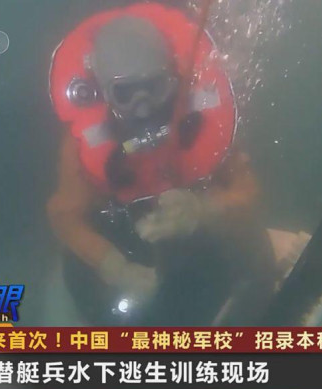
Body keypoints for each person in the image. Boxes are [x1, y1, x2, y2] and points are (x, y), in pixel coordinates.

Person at [46, 3, 288, 325]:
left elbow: (246, 191)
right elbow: (65, 216)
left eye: (154, 87)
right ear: (103, 92)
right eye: (125, 93)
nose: (143, 107)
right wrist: (115, 267)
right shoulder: (84, 146)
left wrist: (205, 210)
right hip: (129, 237)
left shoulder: (204, 118)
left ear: (173, 77)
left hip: (200, 240)